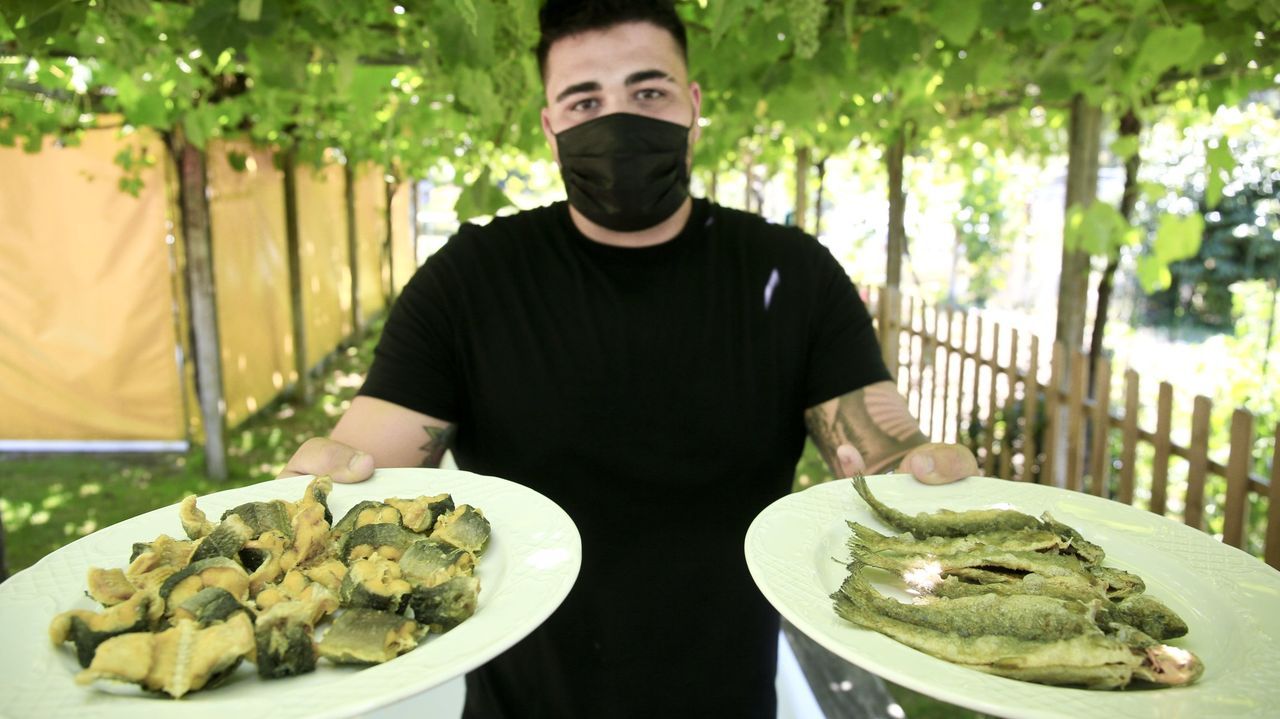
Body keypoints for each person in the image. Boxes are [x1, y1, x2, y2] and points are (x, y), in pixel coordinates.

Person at [281, 1, 979, 716]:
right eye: (585, 99)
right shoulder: (471, 279)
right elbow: (370, 471)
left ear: (693, 106)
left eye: (649, 92)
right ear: (550, 125)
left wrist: (925, 478)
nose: (617, 123)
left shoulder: (792, 276)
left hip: (728, 699)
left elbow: (880, 451)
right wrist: (327, 483)